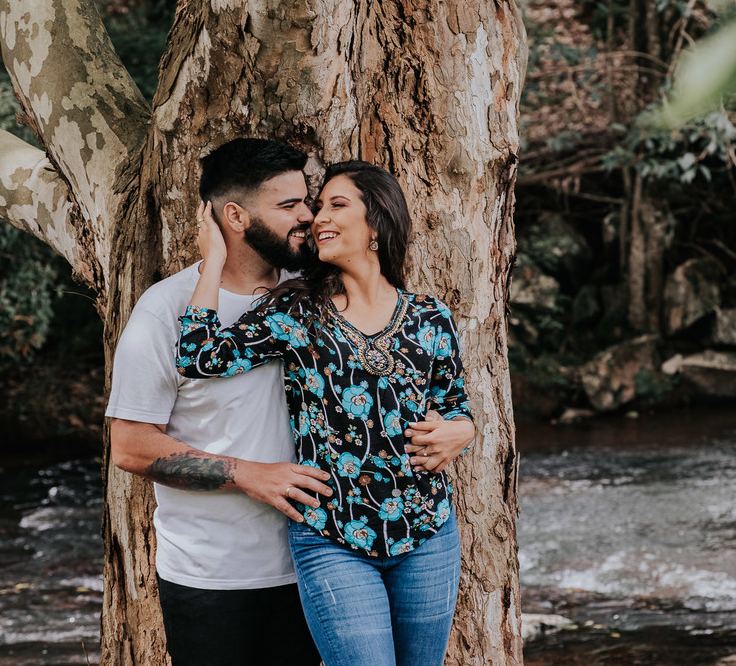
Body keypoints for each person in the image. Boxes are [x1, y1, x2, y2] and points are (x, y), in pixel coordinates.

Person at [175, 160, 475, 666]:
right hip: (334, 534)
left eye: (337, 205)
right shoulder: (297, 308)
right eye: (318, 208)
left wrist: (462, 431)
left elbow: (455, 406)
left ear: (376, 221)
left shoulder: (429, 316)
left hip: (428, 530)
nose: (318, 218)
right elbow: (201, 355)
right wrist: (212, 261)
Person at [106, 139, 326, 666]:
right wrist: (248, 473)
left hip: (321, 565)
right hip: (213, 578)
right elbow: (131, 448)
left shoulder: (317, 293)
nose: (308, 215)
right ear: (235, 215)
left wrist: (459, 426)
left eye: (308, 201)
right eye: (289, 205)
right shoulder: (166, 310)